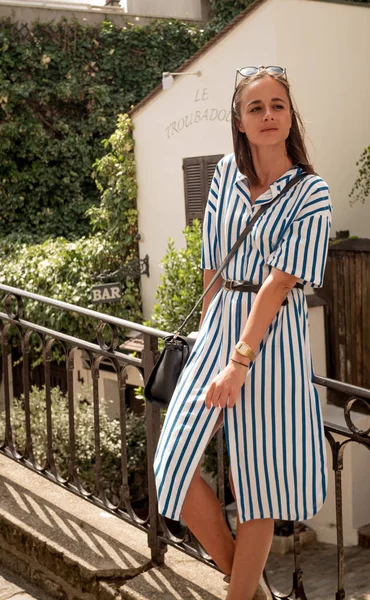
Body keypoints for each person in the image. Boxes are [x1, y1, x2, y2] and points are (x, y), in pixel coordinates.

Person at [154, 65, 332, 600]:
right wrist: (213, 335)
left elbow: (278, 286)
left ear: (290, 115)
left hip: (270, 345)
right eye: (256, 107)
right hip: (221, 327)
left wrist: (239, 362)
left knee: (259, 487)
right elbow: (212, 263)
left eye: (277, 105)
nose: (268, 115)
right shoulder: (224, 177)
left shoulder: (312, 193)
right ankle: (251, 593)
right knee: (171, 468)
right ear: (240, 118)